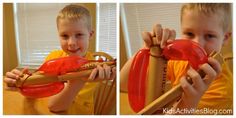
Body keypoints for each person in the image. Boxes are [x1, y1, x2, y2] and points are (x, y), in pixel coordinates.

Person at [120, 3, 232, 114]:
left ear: (225, 38)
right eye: (189, 33)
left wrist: (188, 104)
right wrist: (148, 49)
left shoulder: (223, 92)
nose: (197, 44)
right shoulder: (179, 62)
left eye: (209, 36)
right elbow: (123, 84)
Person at [4, 4, 116, 114]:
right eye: (65, 36)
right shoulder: (53, 57)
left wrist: (79, 80)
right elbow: (42, 89)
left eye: (79, 35)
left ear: (90, 34)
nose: (71, 43)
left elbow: (55, 106)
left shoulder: (93, 71)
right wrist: (22, 83)